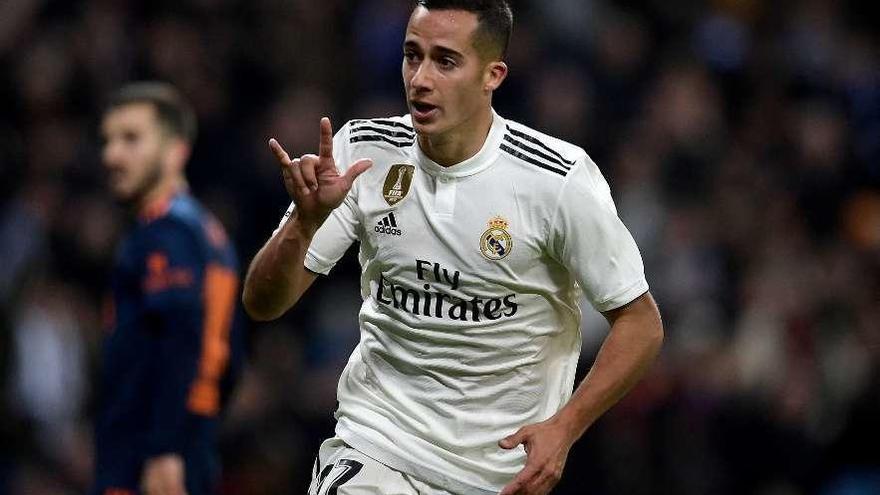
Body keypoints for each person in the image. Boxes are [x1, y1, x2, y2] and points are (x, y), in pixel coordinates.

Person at [243, 1, 663, 493]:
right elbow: (261, 303)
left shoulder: (555, 180)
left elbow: (641, 324)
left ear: (493, 75)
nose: (420, 78)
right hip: (377, 445)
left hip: (497, 475)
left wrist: (565, 427)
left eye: (445, 61)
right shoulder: (363, 154)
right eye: (411, 55)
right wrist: (304, 226)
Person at [93, 82, 242, 495]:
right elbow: (230, 359)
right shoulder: (205, 232)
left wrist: (164, 448)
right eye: (107, 141)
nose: (111, 156)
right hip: (189, 443)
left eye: (131, 139)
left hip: (150, 456)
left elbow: (181, 334)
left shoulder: (166, 234)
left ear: (177, 150)